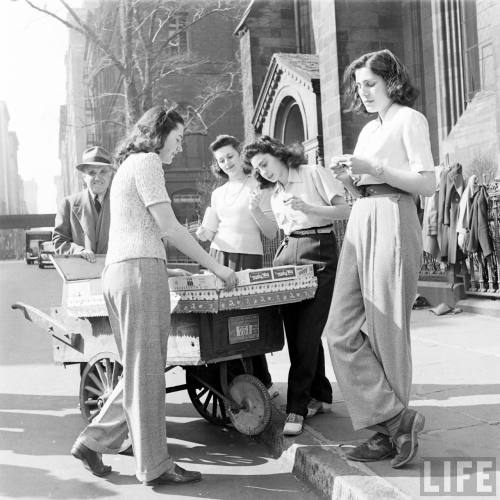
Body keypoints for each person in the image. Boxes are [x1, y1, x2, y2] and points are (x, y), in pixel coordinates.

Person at [70, 105, 237, 486]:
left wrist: (160, 266)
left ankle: (93, 441)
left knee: (139, 370)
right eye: (177, 139)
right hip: (137, 274)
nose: (179, 147)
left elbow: (136, 229)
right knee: (148, 374)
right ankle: (154, 466)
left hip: (124, 271)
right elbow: (170, 228)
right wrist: (218, 267)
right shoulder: (147, 163)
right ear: (158, 135)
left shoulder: (130, 166)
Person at [324, 49, 435, 468]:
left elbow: (427, 184)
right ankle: (395, 418)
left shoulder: (410, 119)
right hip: (363, 215)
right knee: (339, 329)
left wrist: (376, 169)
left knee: (387, 327)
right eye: (359, 86)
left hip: (393, 213)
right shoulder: (369, 129)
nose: (363, 91)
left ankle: (385, 434)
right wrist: (349, 180)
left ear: (392, 80)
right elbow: (364, 186)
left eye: (370, 83)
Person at [242, 136, 350, 436]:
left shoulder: (313, 173)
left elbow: (345, 212)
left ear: (278, 153)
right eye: (257, 169)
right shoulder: (275, 193)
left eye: (264, 163)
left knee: (308, 330)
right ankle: (320, 394)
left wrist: (308, 207)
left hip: (319, 247)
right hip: (287, 253)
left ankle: (297, 408)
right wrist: (254, 211)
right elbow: (273, 232)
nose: (263, 171)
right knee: (297, 331)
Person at [196, 134, 279, 397]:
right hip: (219, 256)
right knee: (222, 322)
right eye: (221, 160)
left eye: (230, 156)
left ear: (240, 154)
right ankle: (230, 381)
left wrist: (255, 211)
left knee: (249, 320)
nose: (226, 163)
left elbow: (271, 232)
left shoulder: (259, 185)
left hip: (248, 258)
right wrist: (203, 233)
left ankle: (262, 382)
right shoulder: (218, 193)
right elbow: (210, 230)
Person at [53, 146, 114, 262]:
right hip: (81, 274)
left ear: (110, 174)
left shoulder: (121, 202)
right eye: (92, 172)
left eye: (103, 171)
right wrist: (79, 251)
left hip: (113, 273)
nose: (98, 177)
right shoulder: (68, 204)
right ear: (84, 177)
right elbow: (59, 241)